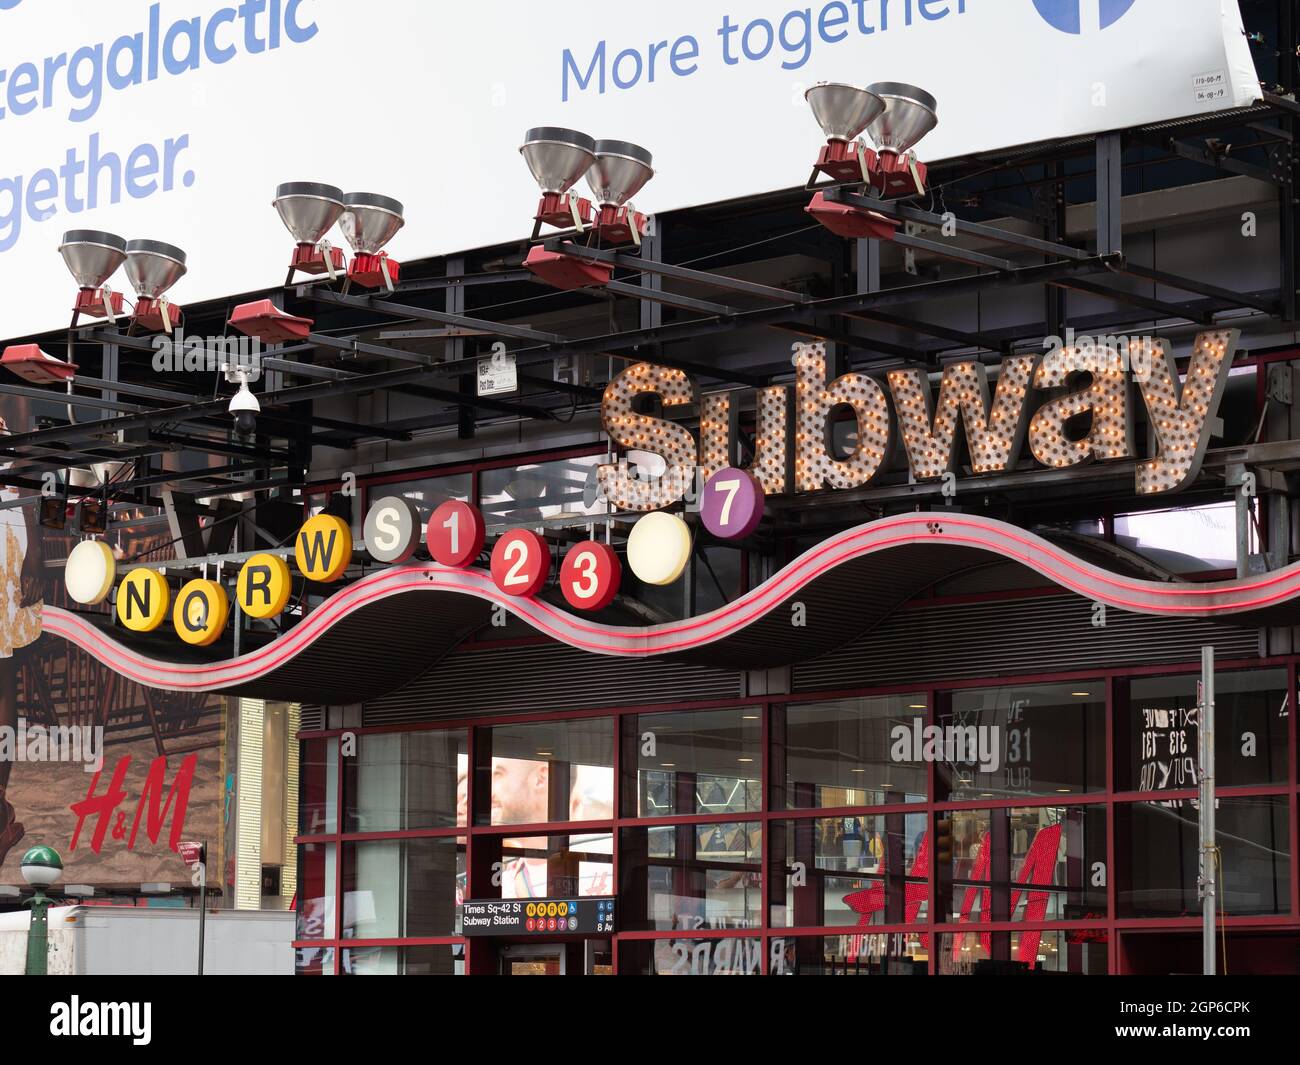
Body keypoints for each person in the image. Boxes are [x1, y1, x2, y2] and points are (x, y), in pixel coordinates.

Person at [0, 414, 45, 871]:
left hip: (5, 552)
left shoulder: (8, 435)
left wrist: (33, 560)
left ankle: (0, 795)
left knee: (2, 679)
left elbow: (28, 499)